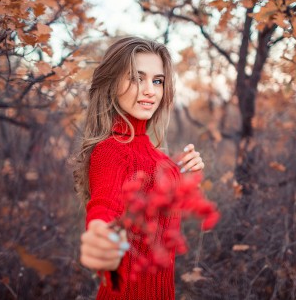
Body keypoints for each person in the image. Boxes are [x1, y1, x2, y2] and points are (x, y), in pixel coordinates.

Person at [74, 36, 205, 299]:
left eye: (157, 81)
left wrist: (184, 176)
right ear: (112, 83)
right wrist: (99, 233)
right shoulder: (110, 150)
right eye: (136, 78)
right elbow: (105, 206)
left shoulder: (158, 156)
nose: (150, 90)